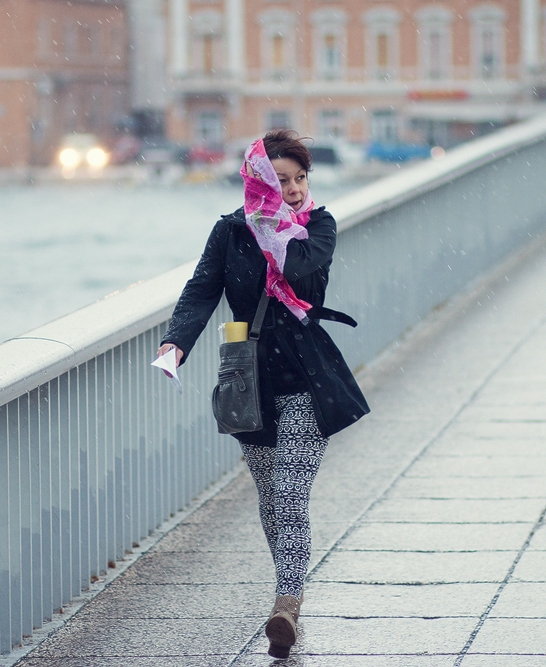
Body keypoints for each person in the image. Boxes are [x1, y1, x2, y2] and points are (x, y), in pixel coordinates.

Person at [156, 129, 369, 659]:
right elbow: (202, 289)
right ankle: (287, 592)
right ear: (258, 181)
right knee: (272, 497)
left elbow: (297, 269)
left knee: (291, 495)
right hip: (248, 378)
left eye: (300, 179)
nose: (294, 190)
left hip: (307, 378)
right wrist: (176, 342)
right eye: (282, 181)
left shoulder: (318, 226)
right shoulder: (230, 232)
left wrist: (273, 225)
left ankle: (286, 604)